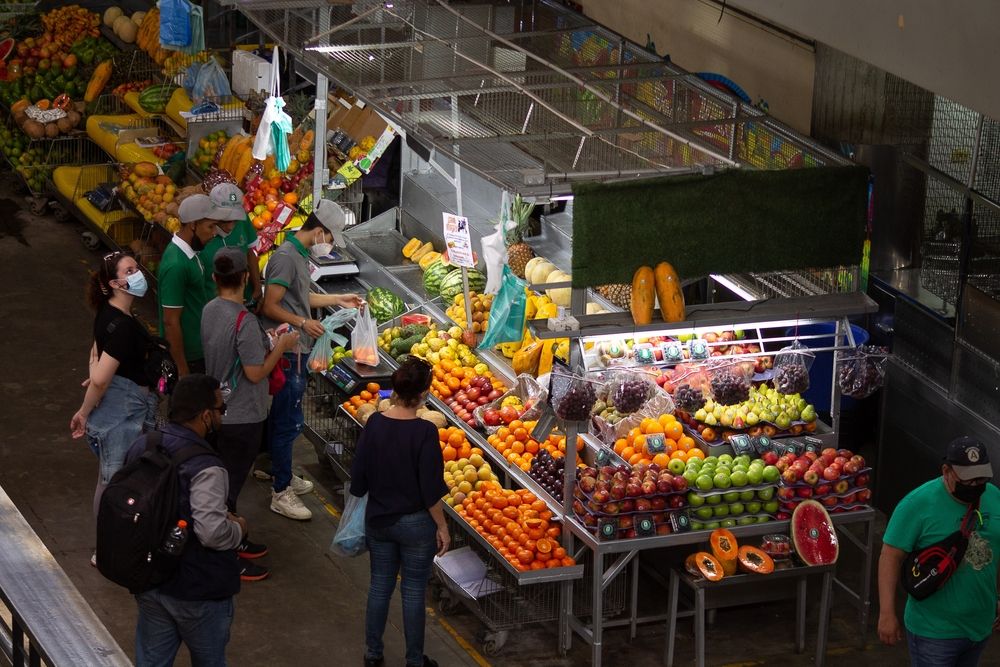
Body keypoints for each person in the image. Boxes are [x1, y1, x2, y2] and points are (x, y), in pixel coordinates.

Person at [125, 374, 245, 667]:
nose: (221, 417)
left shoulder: (143, 445)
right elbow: (212, 533)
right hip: (198, 592)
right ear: (206, 415)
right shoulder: (208, 467)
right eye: (221, 410)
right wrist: (239, 528)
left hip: (151, 583)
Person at [201, 248, 300, 581]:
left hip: (219, 410)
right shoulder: (243, 320)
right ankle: (226, 554)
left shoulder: (210, 310)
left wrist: (265, 340)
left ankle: (234, 539)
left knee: (225, 483)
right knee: (226, 490)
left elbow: (230, 352)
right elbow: (256, 373)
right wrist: (282, 347)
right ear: (245, 278)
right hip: (243, 416)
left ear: (215, 279)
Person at [260, 200, 362, 520]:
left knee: (287, 418)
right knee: (288, 421)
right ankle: (280, 491)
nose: (330, 246)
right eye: (331, 239)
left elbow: (299, 296)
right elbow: (270, 305)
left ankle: (282, 473)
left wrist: (336, 299)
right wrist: (303, 323)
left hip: (298, 348)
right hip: (287, 350)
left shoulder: (298, 254)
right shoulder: (285, 258)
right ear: (319, 232)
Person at [349, 357, 450, 667]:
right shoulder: (424, 432)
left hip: (379, 519)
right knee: (413, 591)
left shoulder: (374, 424)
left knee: (380, 585)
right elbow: (430, 490)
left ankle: (373, 654)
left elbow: (359, 478)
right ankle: (414, 660)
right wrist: (442, 528)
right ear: (423, 395)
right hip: (415, 525)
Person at [878, 436, 1000, 666]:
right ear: (946, 470)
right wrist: (887, 613)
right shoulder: (917, 504)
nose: (975, 485)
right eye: (968, 480)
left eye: (981, 478)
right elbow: (890, 556)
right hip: (934, 631)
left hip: (979, 627)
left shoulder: (994, 497)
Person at [70, 250, 158, 534]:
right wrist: (83, 412)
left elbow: (96, 352)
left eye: (136, 268)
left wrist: (95, 370)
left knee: (116, 478)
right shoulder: (121, 326)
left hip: (129, 406)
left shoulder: (109, 312)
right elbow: (99, 381)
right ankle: (106, 548)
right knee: (112, 480)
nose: (138, 274)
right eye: (129, 271)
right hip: (124, 411)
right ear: (114, 283)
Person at [158, 194, 231, 376]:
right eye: (210, 226)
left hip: (200, 350)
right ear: (193, 225)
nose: (214, 232)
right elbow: (170, 322)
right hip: (188, 359)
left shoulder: (192, 252)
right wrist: (182, 370)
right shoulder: (176, 265)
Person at [201, 183, 262, 307]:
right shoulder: (201, 234)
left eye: (235, 219)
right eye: (225, 219)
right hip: (214, 305)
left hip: (245, 299)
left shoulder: (243, 221)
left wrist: (257, 288)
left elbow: (250, 253)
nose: (230, 226)